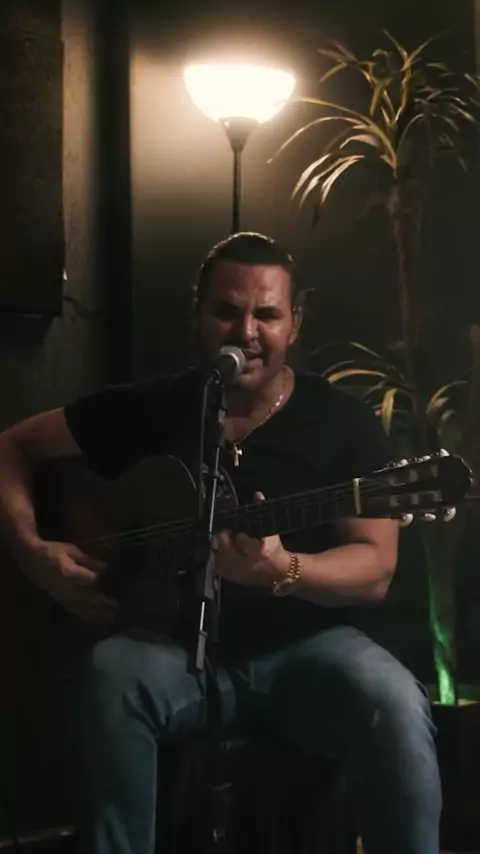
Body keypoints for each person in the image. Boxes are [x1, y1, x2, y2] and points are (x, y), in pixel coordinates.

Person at [0, 232, 441, 854]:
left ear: (294, 323)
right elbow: (12, 447)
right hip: (172, 649)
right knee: (111, 674)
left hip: (305, 649)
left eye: (267, 314)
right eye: (226, 311)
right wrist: (33, 552)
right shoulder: (151, 409)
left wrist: (282, 568)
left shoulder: (342, 421)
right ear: (197, 315)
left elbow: (374, 568)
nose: (246, 332)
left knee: (394, 701)